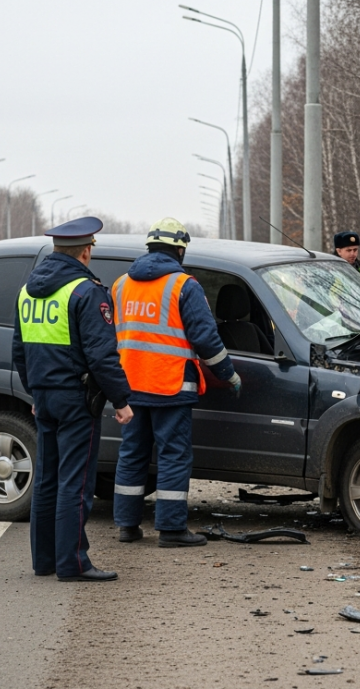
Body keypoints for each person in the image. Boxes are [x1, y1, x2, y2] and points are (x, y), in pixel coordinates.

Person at [13, 217, 134, 582]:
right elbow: (101, 355)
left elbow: (19, 350)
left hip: (44, 398)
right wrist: (122, 400)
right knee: (76, 483)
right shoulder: (85, 291)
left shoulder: (26, 291)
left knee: (47, 478)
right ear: (86, 250)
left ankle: (45, 560)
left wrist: (34, 392)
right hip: (76, 399)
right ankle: (74, 563)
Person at [111, 219, 242, 548]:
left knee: (132, 454)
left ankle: (127, 525)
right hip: (169, 385)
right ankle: (171, 530)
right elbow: (206, 338)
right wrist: (228, 374)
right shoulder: (184, 285)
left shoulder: (120, 285)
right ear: (180, 250)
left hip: (129, 385)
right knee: (173, 455)